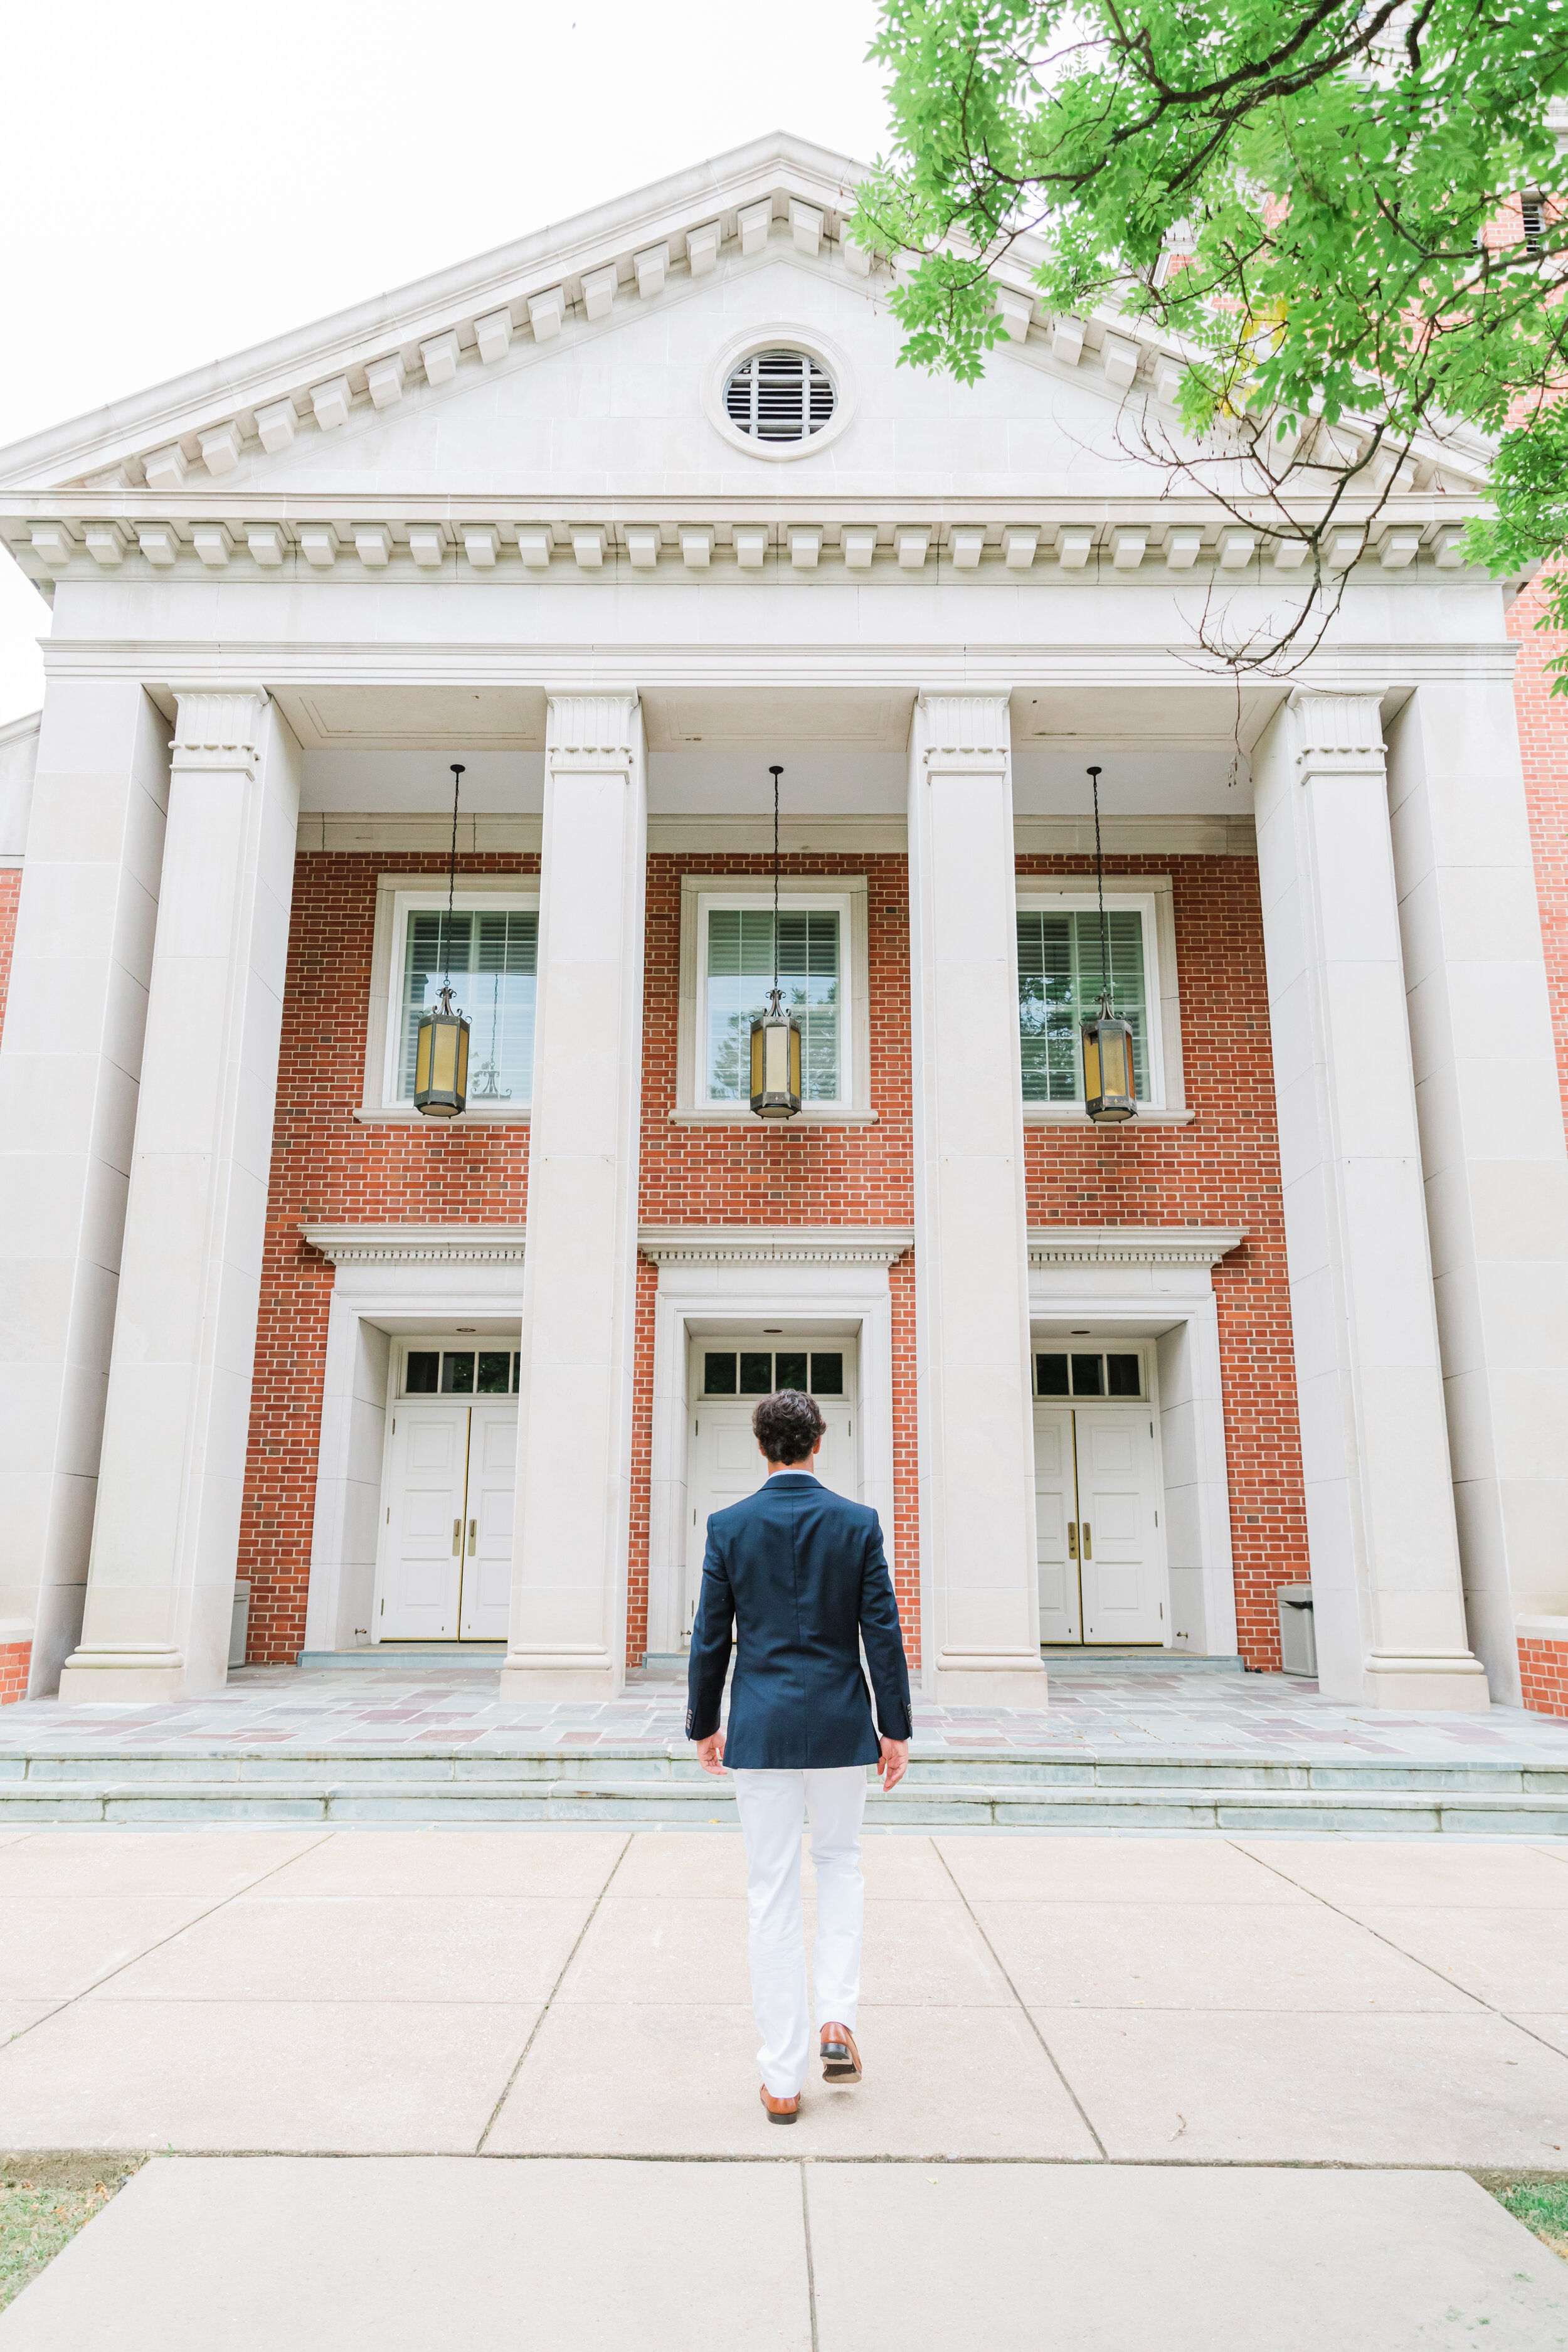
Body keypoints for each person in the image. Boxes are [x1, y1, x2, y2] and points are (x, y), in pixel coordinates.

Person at [686, 1386, 913, 2125]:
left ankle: (782, 2080)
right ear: (820, 1443)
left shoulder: (729, 1526)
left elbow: (710, 1636)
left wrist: (703, 1722)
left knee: (771, 1893)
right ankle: (836, 2020)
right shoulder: (857, 1523)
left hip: (762, 1730)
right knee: (840, 1864)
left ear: (761, 1447)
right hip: (843, 1727)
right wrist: (895, 1726)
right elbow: (880, 1632)